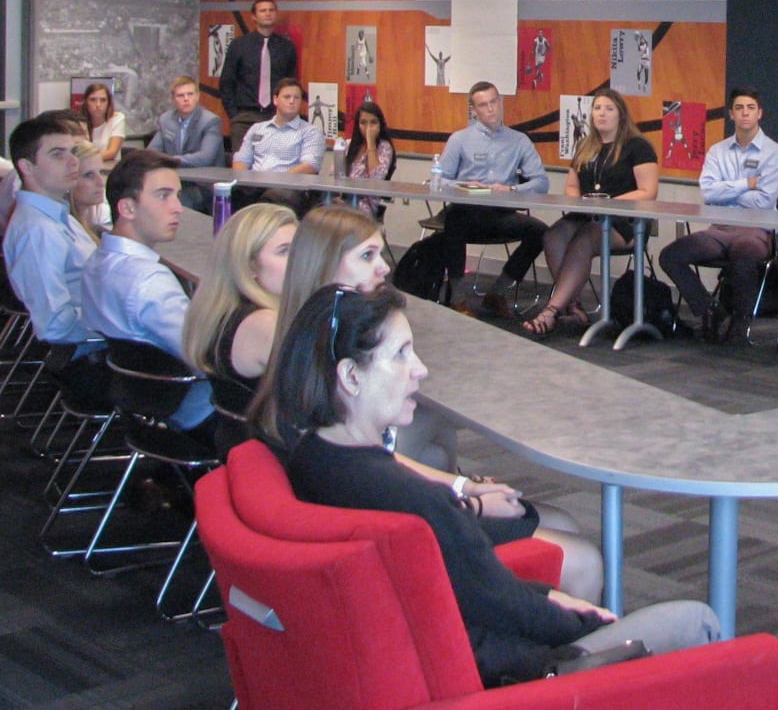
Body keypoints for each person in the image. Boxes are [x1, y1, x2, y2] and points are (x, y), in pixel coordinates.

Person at [256, 284, 717, 686]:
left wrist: (544, 596)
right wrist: (577, 619)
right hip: (517, 675)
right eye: (400, 355)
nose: (420, 369)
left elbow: (478, 590)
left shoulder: (312, 458)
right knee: (697, 623)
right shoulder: (413, 502)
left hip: (456, 652)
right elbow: (499, 604)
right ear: (351, 377)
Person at [254, 205, 602, 600]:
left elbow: (377, 465)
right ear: (324, 266)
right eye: (366, 256)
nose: (384, 267)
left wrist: (462, 485)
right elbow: (383, 482)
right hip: (405, 542)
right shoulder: (326, 366)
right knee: (578, 550)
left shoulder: (309, 348)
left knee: (561, 521)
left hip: (405, 520)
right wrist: (469, 500)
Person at [79, 149, 213, 440]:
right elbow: (203, 355)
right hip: (187, 405)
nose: (178, 207)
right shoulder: (149, 280)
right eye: (163, 195)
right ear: (127, 208)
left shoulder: (97, 260)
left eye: (177, 195)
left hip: (140, 400)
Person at [524, 90, 658, 338]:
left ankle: (551, 311)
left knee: (585, 238)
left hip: (625, 222)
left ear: (621, 115)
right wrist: (580, 201)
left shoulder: (638, 146)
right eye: (597, 108)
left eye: (609, 109)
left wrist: (608, 204)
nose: (602, 114)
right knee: (553, 235)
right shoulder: (586, 146)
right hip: (587, 216)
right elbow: (572, 186)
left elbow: (648, 192)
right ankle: (574, 307)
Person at [659, 86, 778, 343]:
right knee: (670, 256)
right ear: (731, 114)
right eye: (739, 108)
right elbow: (708, 193)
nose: (745, 114)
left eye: (750, 108)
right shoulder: (717, 151)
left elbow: (763, 201)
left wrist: (727, 191)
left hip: (756, 229)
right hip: (720, 229)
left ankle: (740, 323)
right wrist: (747, 184)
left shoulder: (776, 153)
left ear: (760, 113)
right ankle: (711, 310)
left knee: (744, 254)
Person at [4, 116, 104, 396]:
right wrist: (119, 324)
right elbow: (56, 326)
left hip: (97, 347)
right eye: (57, 154)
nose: (73, 162)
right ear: (27, 167)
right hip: (91, 360)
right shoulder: (39, 230)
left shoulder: (58, 215)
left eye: (73, 152)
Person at [436, 82, 549, 319]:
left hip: (499, 211)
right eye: (483, 105)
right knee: (454, 220)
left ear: (501, 102)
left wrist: (512, 189)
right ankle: (457, 297)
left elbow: (541, 182)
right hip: (465, 209)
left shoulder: (519, 141)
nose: (491, 109)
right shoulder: (460, 139)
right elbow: (440, 179)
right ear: (474, 110)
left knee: (541, 232)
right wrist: (464, 186)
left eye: (494, 102)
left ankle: (497, 292)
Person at [181, 203, 297, 389]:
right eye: (284, 251)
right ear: (249, 265)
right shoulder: (266, 323)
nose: (298, 260)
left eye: (299, 249)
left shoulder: (219, 311)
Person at [231, 78, 323, 214]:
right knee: (226, 193)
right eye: (287, 97)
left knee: (274, 197)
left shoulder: (310, 132)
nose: (292, 101)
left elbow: (310, 165)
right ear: (275, 100)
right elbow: (241, 160)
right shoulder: (257, 129)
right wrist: (245, 180)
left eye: (296, 98)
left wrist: (275, 181)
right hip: (254, 184)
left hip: (287, 187)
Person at [219, 0, 298, 151]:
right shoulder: (239, 45)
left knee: (275, 163)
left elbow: (291, 84)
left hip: (276, 116)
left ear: (276, 14)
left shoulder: (286, 47)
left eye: (271, 10)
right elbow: (226, 82)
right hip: (245, 117)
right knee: (243, 167)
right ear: (253, 16)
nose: (268, 13)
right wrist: (234, 115)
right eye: (263, 10)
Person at [148, 76, 226, 214]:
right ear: (173, 99)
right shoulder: (166, 119)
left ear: (197, 96)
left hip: (203, 185)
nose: (186, 99)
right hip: (175, 181)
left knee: (179, 200)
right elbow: (152, 151)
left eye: (190, 94)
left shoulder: (210, 121)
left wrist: (171, 160)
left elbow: (205, 158)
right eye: (180, 95)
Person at [344, 100, 396, 220]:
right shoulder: (349, 145)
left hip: (365, 203)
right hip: (344, 198)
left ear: (380, 124)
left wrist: (371, 143)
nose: (368, 128)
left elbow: (376, 178)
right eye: (363, 123)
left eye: (373, 123)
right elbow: (334, 176)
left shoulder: (384, 147)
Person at [68, 140, 109, 242]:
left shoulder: (94, 224)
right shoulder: (68, 234)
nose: (101, 183)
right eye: (89, 175)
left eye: (102, 172)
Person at [82, 82, 126, 165]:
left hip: (109, 169)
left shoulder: (117, 118)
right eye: (93, 100)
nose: (98, 105)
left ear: (108, 103)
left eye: (103, 100)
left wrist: (86, 159)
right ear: (86, 102)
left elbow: (112, 152)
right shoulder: (79, 122)